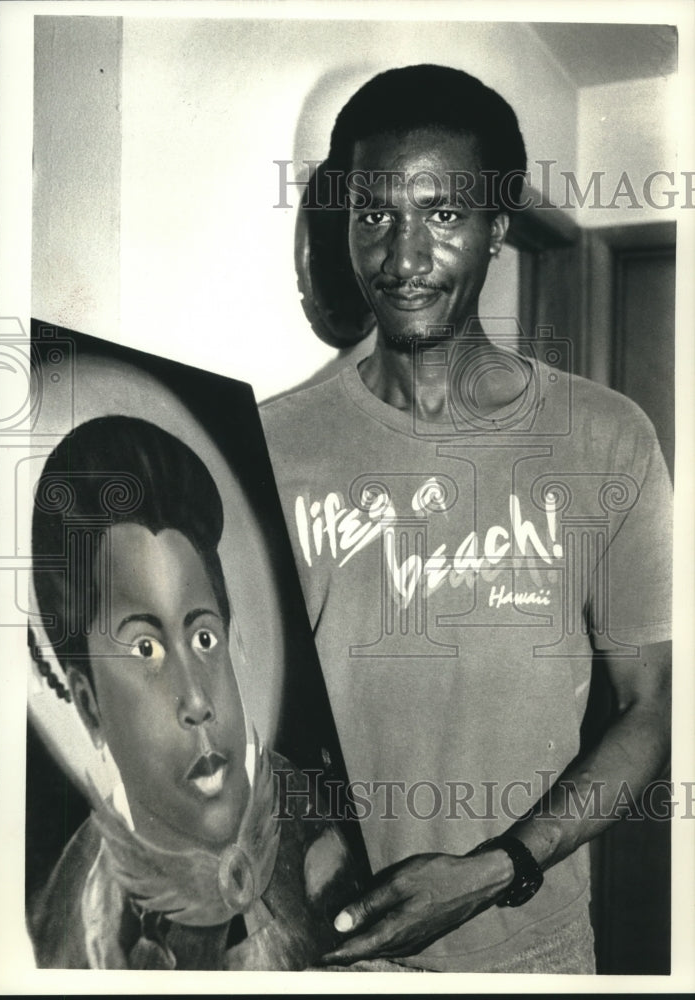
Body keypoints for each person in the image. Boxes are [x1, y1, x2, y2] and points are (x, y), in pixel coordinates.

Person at [260, 64, 672, 973]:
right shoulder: (269, 447)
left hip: (532, 951)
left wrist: (498, 869)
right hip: (321, 959)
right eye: (374, 215)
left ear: (496, 226)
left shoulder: (607, 439)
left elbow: (650, 708)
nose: (402, 259)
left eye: (441, 215)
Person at [27, 414, 364, 970]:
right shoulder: (79, 921)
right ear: (89, 705)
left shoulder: (317, 821)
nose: (197, 700)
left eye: (204, 636)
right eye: (145, 651)